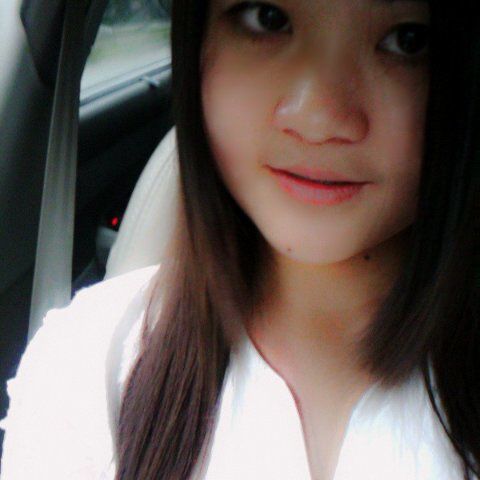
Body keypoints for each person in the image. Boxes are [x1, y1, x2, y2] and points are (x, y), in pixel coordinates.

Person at [1, 0, 479, 479]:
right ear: (197, 43)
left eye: (409, 42)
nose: (318, 118)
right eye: (268, 19)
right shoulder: (84, 367)